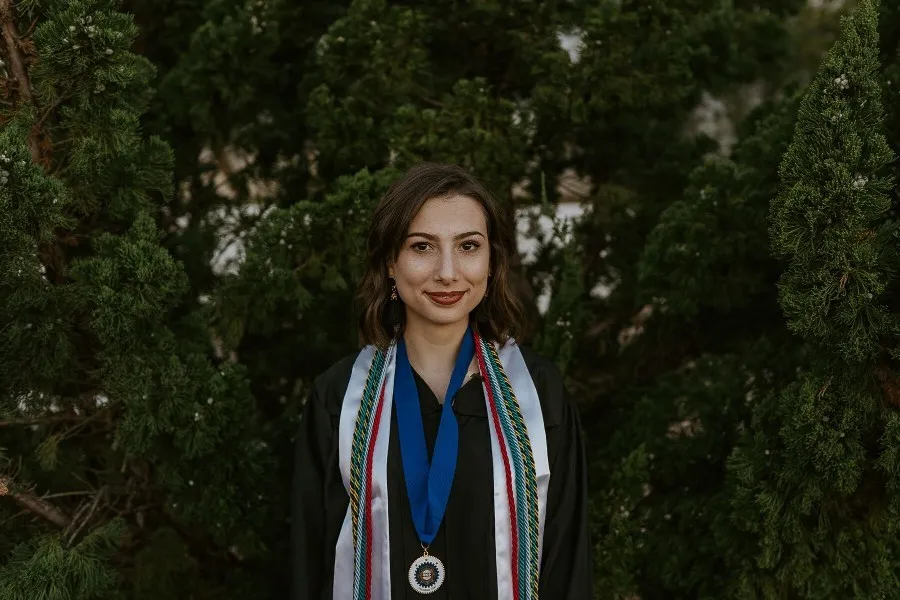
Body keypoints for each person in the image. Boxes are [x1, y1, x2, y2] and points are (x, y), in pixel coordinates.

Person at [291, 163, 593, 599]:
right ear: (391, 263)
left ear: (492, 262)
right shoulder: (340, 399)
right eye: (422, 247)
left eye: (469, 246)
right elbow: (310, 563)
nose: (448, 272)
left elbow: (568, 564)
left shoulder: (538, 394)